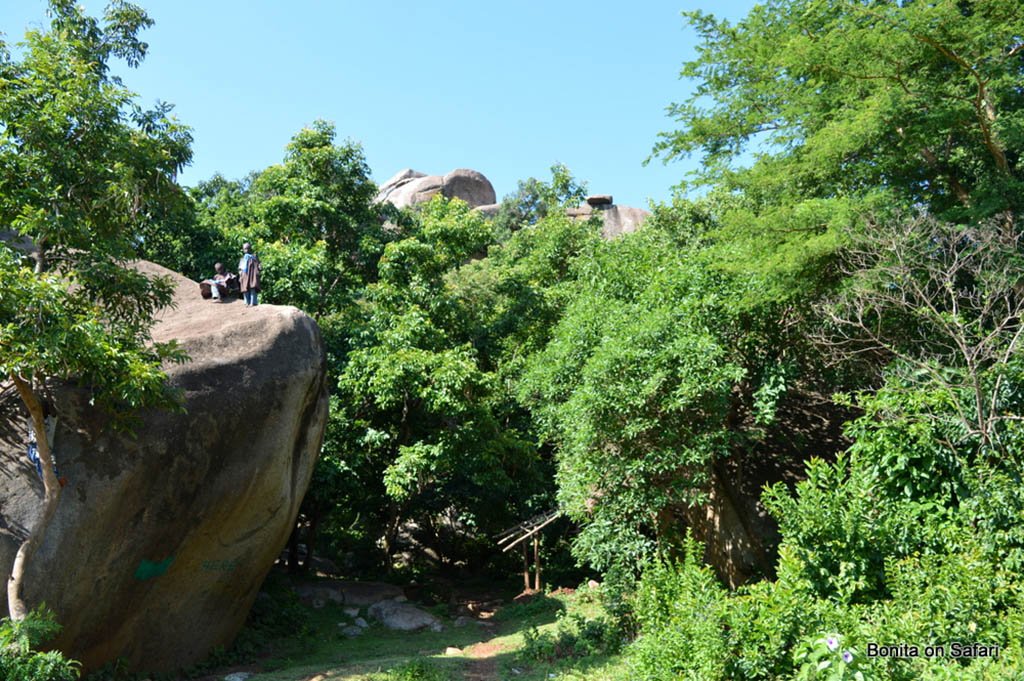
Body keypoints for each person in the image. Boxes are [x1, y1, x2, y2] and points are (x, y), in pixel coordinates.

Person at [238, 242, 262, 306]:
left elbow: (259, 263)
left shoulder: (254, 257)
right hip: (245, 275)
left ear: (250, 248)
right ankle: (246, 302)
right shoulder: (243, 258)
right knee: (245, 288)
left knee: (252, 287)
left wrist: (259, 267)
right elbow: (240, 268)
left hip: (253, 275)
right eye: (245, 249)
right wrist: (240, 275)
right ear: (243, 250)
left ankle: (253, 302)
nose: (246, 250)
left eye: (247, 248)